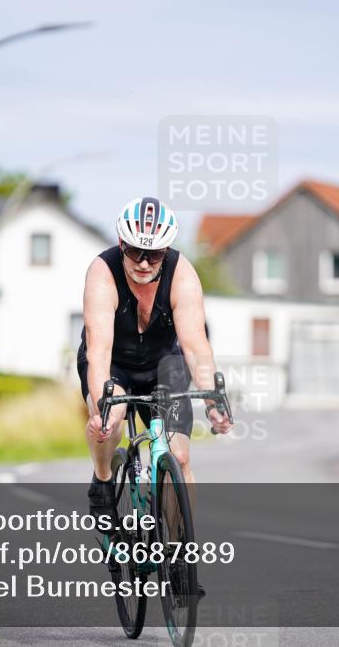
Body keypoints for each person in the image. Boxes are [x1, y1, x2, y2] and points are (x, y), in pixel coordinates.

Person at [78, 197, 232, 532]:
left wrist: (213, 402)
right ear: (121, 244)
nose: (145, 263)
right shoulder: (103, 273)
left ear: (167, 251)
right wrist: (102, 409)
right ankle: (102, 479)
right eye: (136, 251)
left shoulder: (182, 275)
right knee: (110, 420)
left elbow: (196, 346)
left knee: (180, 456)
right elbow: (99, 351)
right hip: (114, 362)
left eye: (155, 254)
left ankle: (178, 549)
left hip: (164, 363)